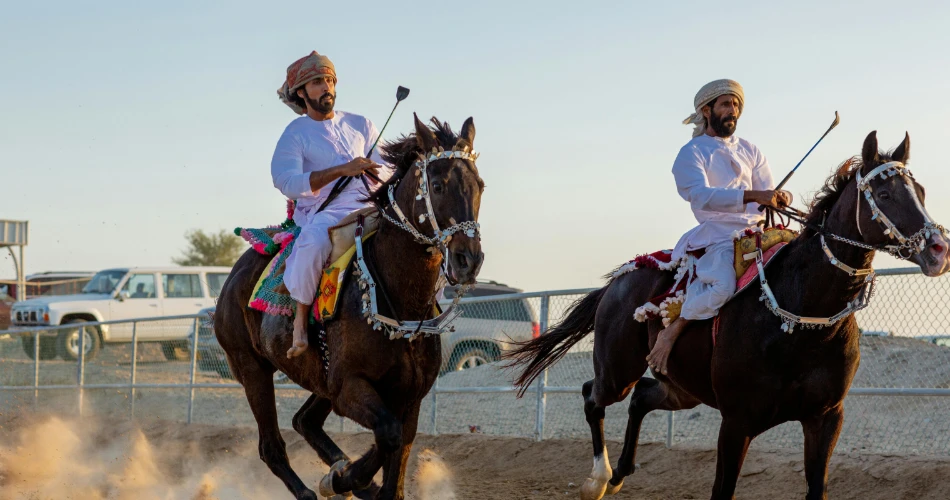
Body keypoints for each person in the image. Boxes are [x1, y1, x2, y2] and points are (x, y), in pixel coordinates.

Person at [645, 79, 792, 375]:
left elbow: (766, 192)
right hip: (718, 237)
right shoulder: (692, 152)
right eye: (726, 104)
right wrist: (754, 195)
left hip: (759, 234)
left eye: (736, 104)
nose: (733, 110)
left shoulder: (751, 150)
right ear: (706, 110)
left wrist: (780, 197)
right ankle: (673, 330)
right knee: (723, 286)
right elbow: (699, 195)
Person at [271, 51, 393, 358]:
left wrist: (376, 169)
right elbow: (286, 181)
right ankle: (300, 322)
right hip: (326, 212)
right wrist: (342, 170)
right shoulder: (295, 134)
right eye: (317, 82)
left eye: (329, 80)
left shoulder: (361, 124)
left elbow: (389, 168)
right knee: (314, 242)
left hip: (372, 203)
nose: (326, 87)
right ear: (301, 92)